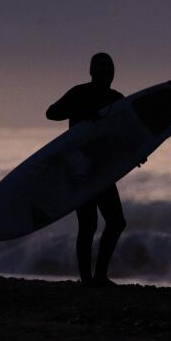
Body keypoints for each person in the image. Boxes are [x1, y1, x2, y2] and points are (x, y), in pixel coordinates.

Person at [46, 52, 127, 287]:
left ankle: (99, 276)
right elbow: (51, 113)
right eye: (101, 67)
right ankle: (87, 279)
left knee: (116, 221)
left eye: (109, 68)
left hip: (103, 169)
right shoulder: (79, 93)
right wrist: (79, 113)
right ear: (91, 72)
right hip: (80, 169)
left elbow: (125, 134)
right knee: (89, 224)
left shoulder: (117, 98)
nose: (106, 72)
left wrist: (136, 155)